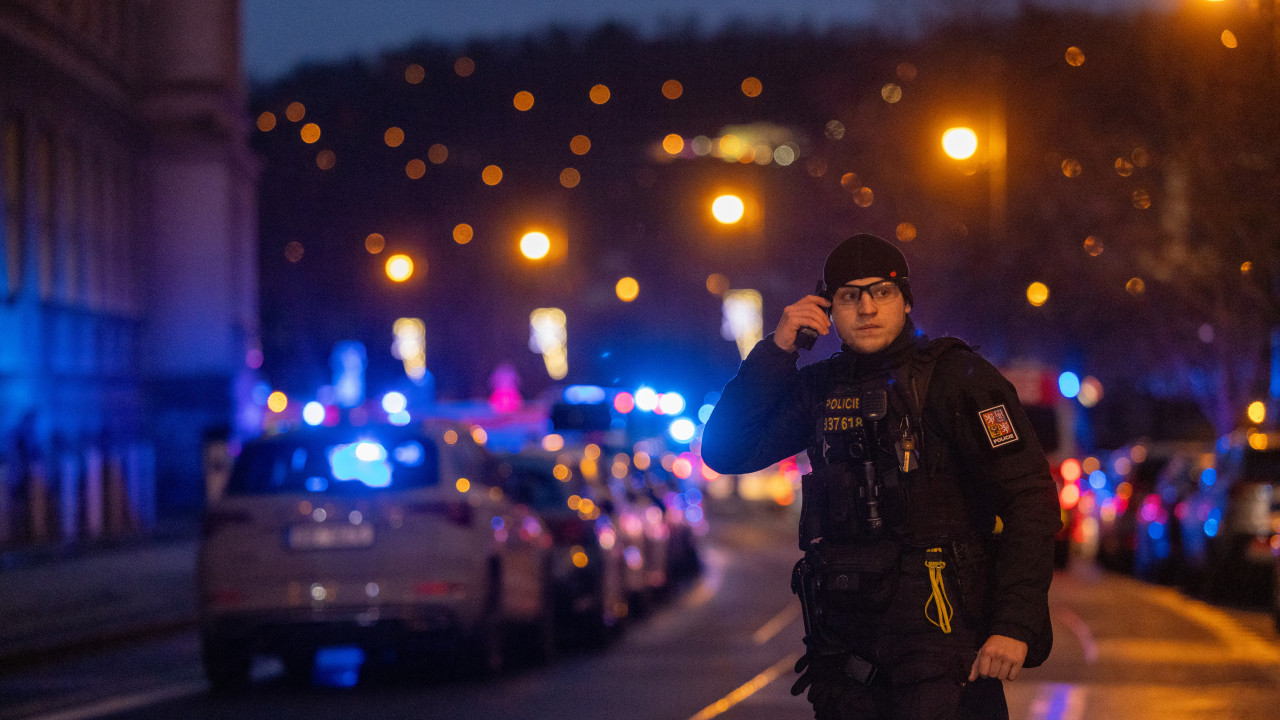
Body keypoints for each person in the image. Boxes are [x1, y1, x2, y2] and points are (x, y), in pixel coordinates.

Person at [701, 233, 1061, 719]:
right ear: (827, 310)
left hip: (946, 652)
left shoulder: (958, 379)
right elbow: (725, 449)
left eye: (882, 292)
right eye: (849, 296)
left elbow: (1030, 499)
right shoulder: (821, 388)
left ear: (906, 300)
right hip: (849, 663)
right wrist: (778, 349)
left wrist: (1014, 625)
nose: (866, 308)